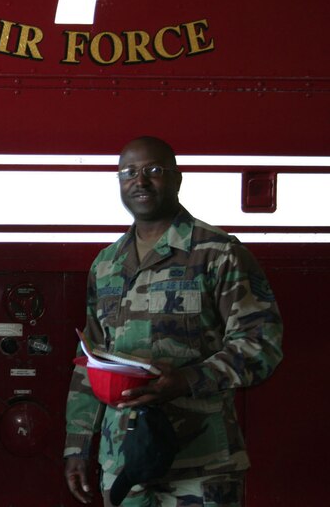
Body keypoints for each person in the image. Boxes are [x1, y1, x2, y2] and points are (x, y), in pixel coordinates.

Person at [63, 136, 283, 506]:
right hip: (124, 461)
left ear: (177, 179)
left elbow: (262, 345)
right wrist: (78, 445)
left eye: (153, 170)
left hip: (200, 465)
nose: (140, 181)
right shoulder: (106, 265)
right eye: (129, 172)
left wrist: (186, 380)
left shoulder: (217, 253)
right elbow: (90, 360)